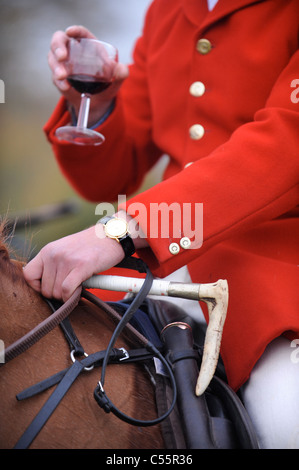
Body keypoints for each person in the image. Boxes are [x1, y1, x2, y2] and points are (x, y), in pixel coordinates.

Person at [23, 0, 299, 448]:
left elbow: (289, 141)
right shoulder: (166, 10)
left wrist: (121, 230)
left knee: (287, 418)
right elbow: (110, 177)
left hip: (276, 269)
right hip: (156, 264)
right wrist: (95, 106)